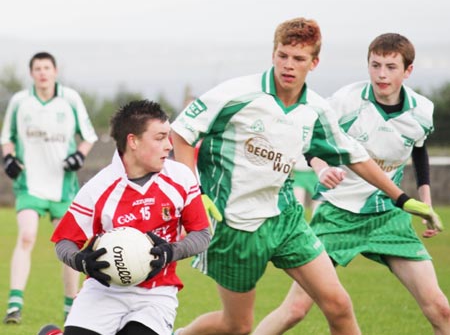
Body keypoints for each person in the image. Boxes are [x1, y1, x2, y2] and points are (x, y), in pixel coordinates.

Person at [170, 18, 442, 335]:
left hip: (287, 220)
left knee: (338, 306)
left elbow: (356, 157)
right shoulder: (237, 94)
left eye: (298, 59)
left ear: (314, 62)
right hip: (235, 225)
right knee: (237, 325)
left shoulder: (315, 108)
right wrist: (193, 192)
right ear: (273, 54)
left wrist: (404, 199)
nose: (289, 65)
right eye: (283, 55)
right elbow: (181, 134)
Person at [253, 33, 449, 335]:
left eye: (391, 67)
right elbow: (307, 139)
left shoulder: (421, 110)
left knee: (441, 309)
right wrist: (320, 168)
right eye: (375, 65)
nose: (381, 74)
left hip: (388, 216)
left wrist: (425, 201)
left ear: (407, 71)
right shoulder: (345, 101)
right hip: (337, 215)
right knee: (295, 310)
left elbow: (419, 149)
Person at [50, 100, 211, 335]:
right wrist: (82, 261)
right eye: (159, 138)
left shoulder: (181, 178)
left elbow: (202, 234)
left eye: (169, 137)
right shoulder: (98, 188)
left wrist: (170, 252)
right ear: (133, 141)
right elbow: (64, 242)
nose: (169, 146)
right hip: (104, 291)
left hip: (156, 293)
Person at [1, 52, 98, 324]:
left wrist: (79, 155)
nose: (42, 72)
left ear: (55, 71)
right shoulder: (20, 101)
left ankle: (72, 307)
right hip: (29, 184)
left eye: (47, 67)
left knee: (68, 246)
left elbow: (89, 136)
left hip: (63, 187)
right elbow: (6, 138)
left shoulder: (70, 99)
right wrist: (8, 158)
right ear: (31, 73)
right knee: (27, 235)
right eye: (37, 68)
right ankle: (14, 305)